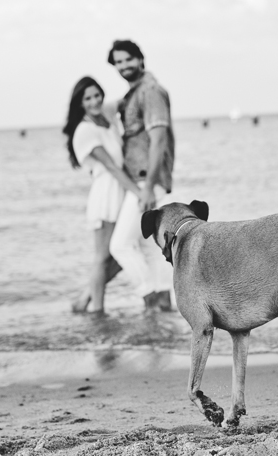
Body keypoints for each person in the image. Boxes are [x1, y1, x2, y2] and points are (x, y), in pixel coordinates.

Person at [106, 39, 176, 312]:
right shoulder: (133, 94)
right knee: (149, 248)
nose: (124, 66)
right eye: (118, 62)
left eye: (127, 59)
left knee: (121, 245)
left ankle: (148, 299)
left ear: (140, 59)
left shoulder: (150, 91)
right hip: (142, 181)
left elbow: (158, 141)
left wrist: (148, 187)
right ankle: (162, 306)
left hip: (146, 181)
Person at [63, 76, 142, 314]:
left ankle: (85, 297)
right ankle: (97, 310)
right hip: (107, 193)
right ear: (80, 103)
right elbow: (111, 166)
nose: (94, 101)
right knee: (102, 257)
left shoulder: (105, 115)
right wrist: (138, 191)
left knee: (122, 251)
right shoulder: (85, 130)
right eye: (88, 98)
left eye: (97, 95)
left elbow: (128, 100)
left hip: (120, 189)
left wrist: (143, 82)